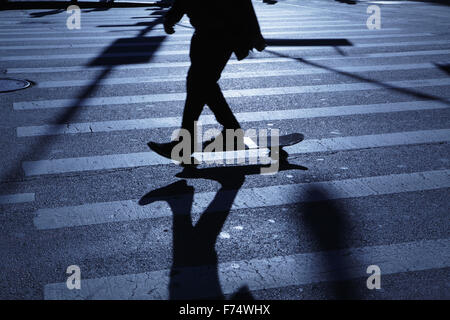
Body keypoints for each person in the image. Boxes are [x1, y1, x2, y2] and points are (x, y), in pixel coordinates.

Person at [148, 0, 266, 165]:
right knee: (203, 85)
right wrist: (172, 16)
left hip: (221, 34)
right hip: (207, 34)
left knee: (199, 83)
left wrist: (171, 17)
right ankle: (230, 132)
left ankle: (185, 145)